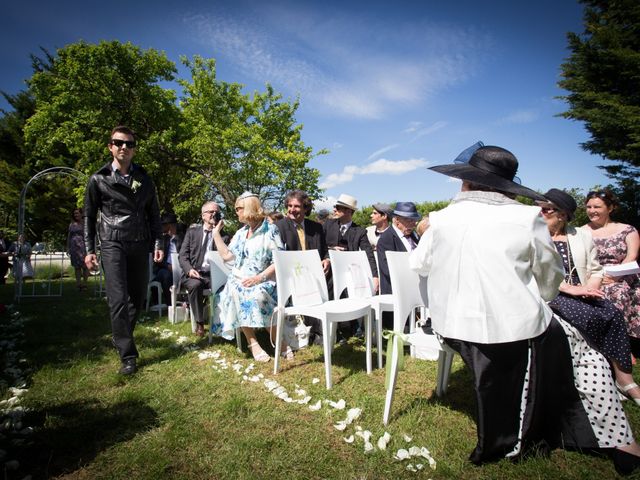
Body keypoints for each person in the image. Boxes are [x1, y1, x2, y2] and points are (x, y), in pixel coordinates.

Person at [410, 144, 640, 474]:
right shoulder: (525, 217)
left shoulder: (440, 219)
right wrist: (541, 299)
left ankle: (605, 424)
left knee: (570, 336)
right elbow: (549, 277)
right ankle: (618, 436)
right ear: (506, 187)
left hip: (450, 326)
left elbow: (419, 264)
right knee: (581, 345)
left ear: (467, 182)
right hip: (511, 329)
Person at [540, 188, 639, 404]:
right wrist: (572, 289)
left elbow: (596, 269)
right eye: (542, 207)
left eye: (548, 209)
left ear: (563, 214)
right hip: (552, 292)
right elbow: (536, 272)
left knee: (611, 312)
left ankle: (624, 379)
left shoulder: (581, 235)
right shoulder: (535, 236)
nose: (542, 211)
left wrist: (591, 288)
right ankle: (596, 378)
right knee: (587, 316)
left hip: (582, 290)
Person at [84, 126, 163, 376]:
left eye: (128, 144)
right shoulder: (99, 179)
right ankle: (128, 355)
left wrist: (158, 243)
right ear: (110, 146)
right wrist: (89, 249)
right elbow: (88, 216)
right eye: (118, 143)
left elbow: (154, 215)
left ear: (134, 149)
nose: (123, 147)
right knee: (118, 299)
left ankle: (120, 335)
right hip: (112, 242)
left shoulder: (145, 179)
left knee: (138, 298)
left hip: (139, 242)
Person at [210, 192, 288, 362]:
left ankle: (277, 339)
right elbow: (227, 257)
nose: (236, 212)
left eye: (238, 208)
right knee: (236, 290)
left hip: (265, 278)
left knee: (259, 295)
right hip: (239, 279)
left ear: (248, 208)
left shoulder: (270, 230)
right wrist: (216, 234)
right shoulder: (241, 233)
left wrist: (259, 278)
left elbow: (279, 260)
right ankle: (252, 342)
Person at [581, 190, 640, 356]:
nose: (592, 210)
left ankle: (625, 345)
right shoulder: (580, 232)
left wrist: (615, 276)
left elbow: (632, 256)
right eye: (589, 206)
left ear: (610, 208)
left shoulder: (627, 230)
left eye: (597, 207)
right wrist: (598, 278)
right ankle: (609, 345)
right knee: (607, 292)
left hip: (623, 275)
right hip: (593, 275)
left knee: (620, 291)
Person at [275, 189, 330, 345]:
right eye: (290, 206)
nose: (292, 210)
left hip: (315, 272)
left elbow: (325, 250)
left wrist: (326, 259)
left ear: (306, 208)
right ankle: (304, 331)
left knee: (328, 283)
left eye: (297, 206)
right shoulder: (279, 227)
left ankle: (324, 329)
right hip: (291, 273)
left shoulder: (316, 227)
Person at [324, 193, 379, 338]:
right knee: (331, 295)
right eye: (335, 206)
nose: (335, 209)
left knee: (350, 296)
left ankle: (351, 327)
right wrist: (331, 250)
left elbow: (369, 254)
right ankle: (333, 331)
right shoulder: (328, 225)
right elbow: (321, 246)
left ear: (349, 211)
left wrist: (375, 276)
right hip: (330, 271)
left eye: (339, 207)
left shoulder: (360, 231)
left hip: (350, 273)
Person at [178, 202, 228, 337]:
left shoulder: (223, 236)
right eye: (211, 212)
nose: (214, 214)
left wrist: (217, 232)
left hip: (213, 275)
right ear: (203, 215)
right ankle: (200, 323)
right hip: (193, 273)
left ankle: (223, 323)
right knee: (195, 285)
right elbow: (182, 256)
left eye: (217, 212)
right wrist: (189, 270)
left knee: (227, 287)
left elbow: (226, 258)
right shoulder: (192, 232)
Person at [377, 202, 420, 296]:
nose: (414, 224)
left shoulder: (414, 235)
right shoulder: (385, 239)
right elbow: (388, 270)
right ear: (397, 220)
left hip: (417, 286)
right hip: (398, 292)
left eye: (415, 220)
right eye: (410, 220)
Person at [153, 212, 184, 306]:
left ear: (169, 225)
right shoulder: (161, 240)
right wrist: (168, 266)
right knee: (165, 274)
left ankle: (185, 302)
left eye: (163, 225)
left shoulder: (182, 238)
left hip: (180, 269)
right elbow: (157, 261)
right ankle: (170, 304)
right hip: (164, 269)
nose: (161, 228)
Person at [67, 208, 90, 291]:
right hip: (74, 247)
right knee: (76, 267)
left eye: (77, 213)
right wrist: (68, 247)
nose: (76, 215)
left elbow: (89, 235)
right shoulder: (71, 224)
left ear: (81, 214)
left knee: (85, 266)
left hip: (83, 246)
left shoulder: (85, 224)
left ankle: (85, 284)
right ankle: (78, 284)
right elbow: (69, 237)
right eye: (75, 214)